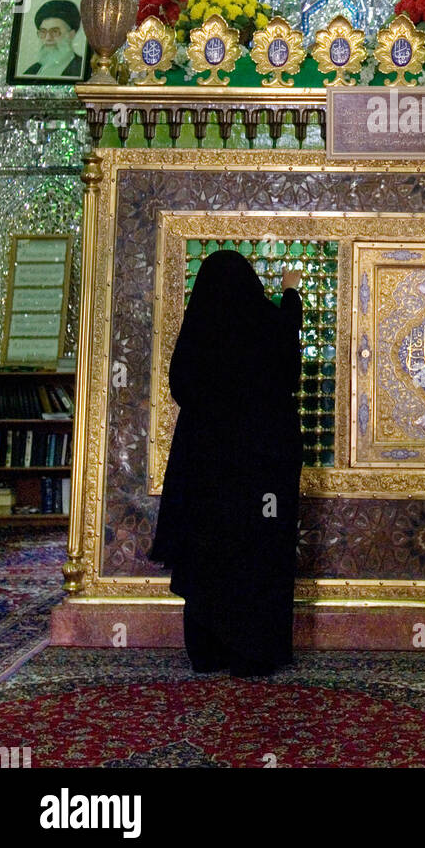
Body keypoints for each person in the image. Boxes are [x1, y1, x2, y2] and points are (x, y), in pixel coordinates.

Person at [149, 248, 304, 676]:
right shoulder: (266, 330)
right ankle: (251, 651)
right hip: (261, 475)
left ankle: (208, 649)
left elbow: (182, 384)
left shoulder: (199, 334)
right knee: (255, 551)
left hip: (204, 470)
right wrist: (290, 294)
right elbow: (287, 363)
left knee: (207, 550)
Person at [23, 0, 84, 78]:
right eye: (43, 32)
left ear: (71, 34)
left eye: (55, 31)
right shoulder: (32, 71)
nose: (48, 38)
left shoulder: (82, 69)